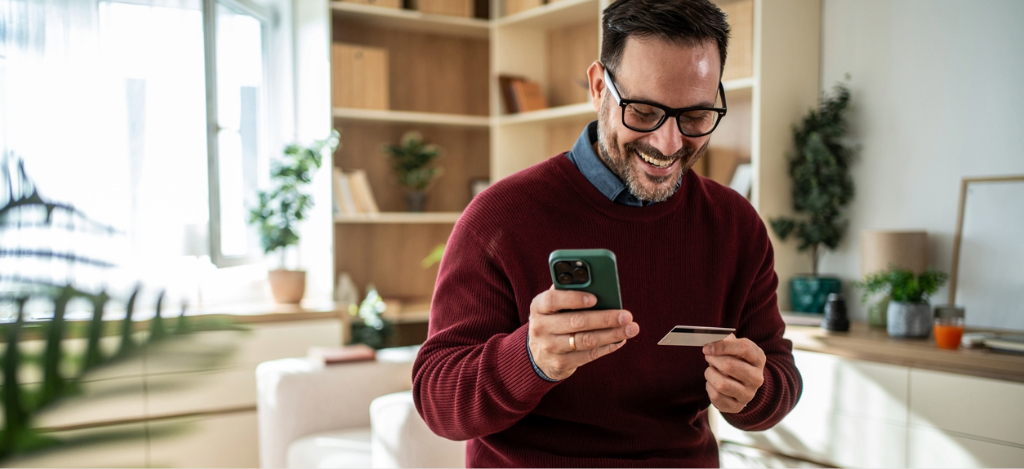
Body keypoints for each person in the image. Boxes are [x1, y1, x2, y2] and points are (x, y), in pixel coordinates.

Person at [412, 0, 802, 466]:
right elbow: (438, 401)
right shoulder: (499, 219)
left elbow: (780, 371)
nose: (668, 143)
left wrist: (757, 393)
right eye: (643, 111)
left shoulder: (736, 226)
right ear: (599, 87)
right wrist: (531, 359)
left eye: (696, 117)